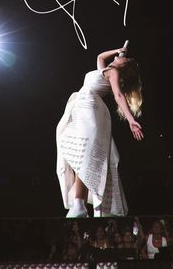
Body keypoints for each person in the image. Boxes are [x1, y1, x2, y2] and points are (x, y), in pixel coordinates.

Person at [56, 45, 144, 218]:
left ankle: (79, 204)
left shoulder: (114, 73)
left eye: (123, 58)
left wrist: (131, 120)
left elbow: (119, 95)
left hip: (90, 110)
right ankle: (78, 203)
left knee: (84, 155)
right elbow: (100, 57)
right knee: (79, 153)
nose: (120, 56)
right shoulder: (106, 69)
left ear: (123, 65)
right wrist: (118, 50)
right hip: (80, 108)